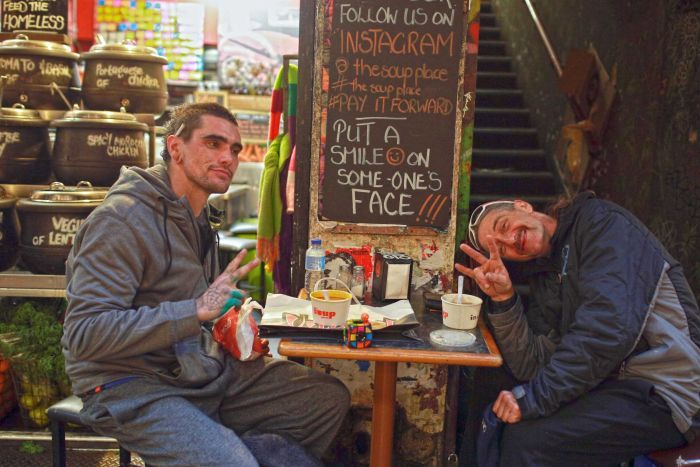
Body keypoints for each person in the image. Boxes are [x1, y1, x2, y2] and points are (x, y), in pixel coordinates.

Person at [61, 102, 350, 466]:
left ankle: (239, 449)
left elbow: (197, 308)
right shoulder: (121, 220)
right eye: (213, 143)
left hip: (196, 368)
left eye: (234, 149)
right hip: (130, 383)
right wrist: (194, 311)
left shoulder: (197, 219)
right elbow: (85, 334)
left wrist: (229, 323)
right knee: (231, 462)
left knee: (323, 400)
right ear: (176, 148)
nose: (227, 157)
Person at [455, 192, 700, 466]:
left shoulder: (601, 223)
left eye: (504, 226)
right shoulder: (546, 273)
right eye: (501, 249)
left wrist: (534, 399)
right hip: (609, 385)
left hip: (665, 390)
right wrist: (503, 298)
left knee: (527, 441)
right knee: (493, 384)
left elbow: (607, 332)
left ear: (522, 206)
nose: (511, 240)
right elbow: (533, 363)